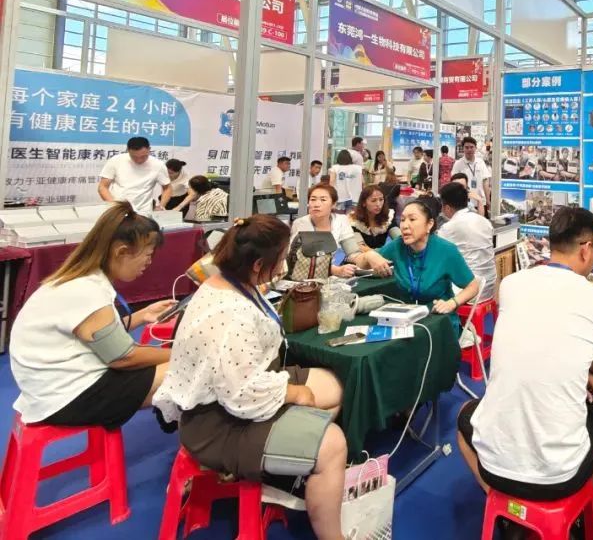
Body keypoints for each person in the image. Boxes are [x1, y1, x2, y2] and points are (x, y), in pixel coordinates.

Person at [153, 216, 348, 540]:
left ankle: (287, 468)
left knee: (333, 385)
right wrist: (295, 394)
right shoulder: (232, 314)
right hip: (218, 422)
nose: (284, 265)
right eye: (281, 258)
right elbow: (243, 396)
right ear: (258, 264)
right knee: (333, 444)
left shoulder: (225, 279)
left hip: (241, 386)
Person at [456, 207, 593, 504]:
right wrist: (587, 364)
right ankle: (581, 510)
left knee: (463, 417)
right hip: (560, 477)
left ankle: (501, 503)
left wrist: (581, 366)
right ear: (586, 249)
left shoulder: (511, 285)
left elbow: (537, 339)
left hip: (493, 466)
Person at [10, 202, 173, 430]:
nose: (149, 262)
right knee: (194, 366)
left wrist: (143, 315)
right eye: (148, 254)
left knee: (181, 368)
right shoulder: (87, 291)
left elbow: (96, 334)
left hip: (50, 389)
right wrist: (179, 354)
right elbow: (122, 357)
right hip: (69, 397)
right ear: (121, 252)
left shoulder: (78, 280)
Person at [353, 199, 479, 314]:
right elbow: (360, 263)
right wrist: (369, 255)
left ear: (429, 224)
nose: (405, 225)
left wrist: (452, 303)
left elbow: (473, 286)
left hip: (437, 317)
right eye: (402, 220)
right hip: (406, 316)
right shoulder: (397, 245)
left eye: (412, 219)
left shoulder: (446, 250)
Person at [290, 183, 365, 278]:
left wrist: (368, 258)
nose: (316, 204)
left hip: (330, 277)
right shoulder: (300, 223)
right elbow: (299, 260)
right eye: (313, 199)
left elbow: (353, 252)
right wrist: (335, 270)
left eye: (323, 200)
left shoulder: (341, 220)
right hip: (304, 277)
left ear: (333, 204)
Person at [439, 182, 496, 302]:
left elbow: (435, 252)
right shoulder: (485, 221)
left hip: (469, 291)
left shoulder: (449, 227)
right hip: (490, 287)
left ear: (447, 208)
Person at [98, 136, 171, 215]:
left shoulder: (158, 165)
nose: (139, 160)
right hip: (118, 211)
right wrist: (114, 205)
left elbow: (167, 188)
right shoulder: (115, 161)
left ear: (149, 149)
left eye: (143, 156)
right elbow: (103, 187)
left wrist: (161, 206)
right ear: (128, 150)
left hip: (144, 211)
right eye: (134, 157)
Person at [350, 185, 401, 250]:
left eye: (381, 199)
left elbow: (399, 238)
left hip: (382, 253)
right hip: (362, 255)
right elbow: (362, 248)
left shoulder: (388, 217)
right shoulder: (354, 222)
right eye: (373, 201)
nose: (378, 204)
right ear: (364, 203)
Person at [452, 136, 491, 214]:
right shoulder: (458, 164)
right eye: (466, 147)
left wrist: (488, 199)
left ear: (475, 148)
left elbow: (485, 181)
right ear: (463, 149)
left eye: (471, 147)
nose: (469, 149)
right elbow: (454, 183)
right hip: (464, 203)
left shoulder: (480, 162)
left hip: (480, 202)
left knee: (481, 221)